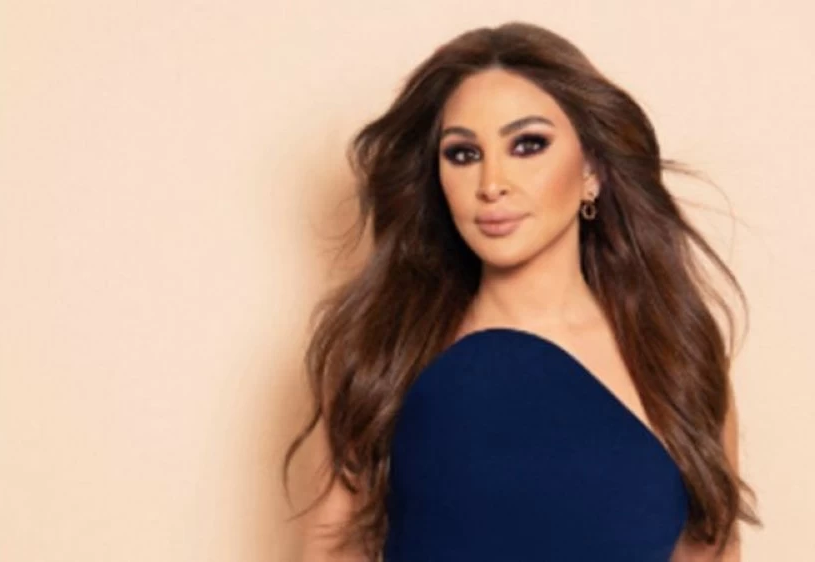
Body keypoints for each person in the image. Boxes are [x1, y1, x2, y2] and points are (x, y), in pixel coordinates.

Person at [283, 21, 762, 562]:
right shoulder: (383, 350)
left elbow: (711, 550)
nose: (492, 184)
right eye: (463, 154)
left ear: (591, 170)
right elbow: (332, 549)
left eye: (528, 145)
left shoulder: (676, 355)